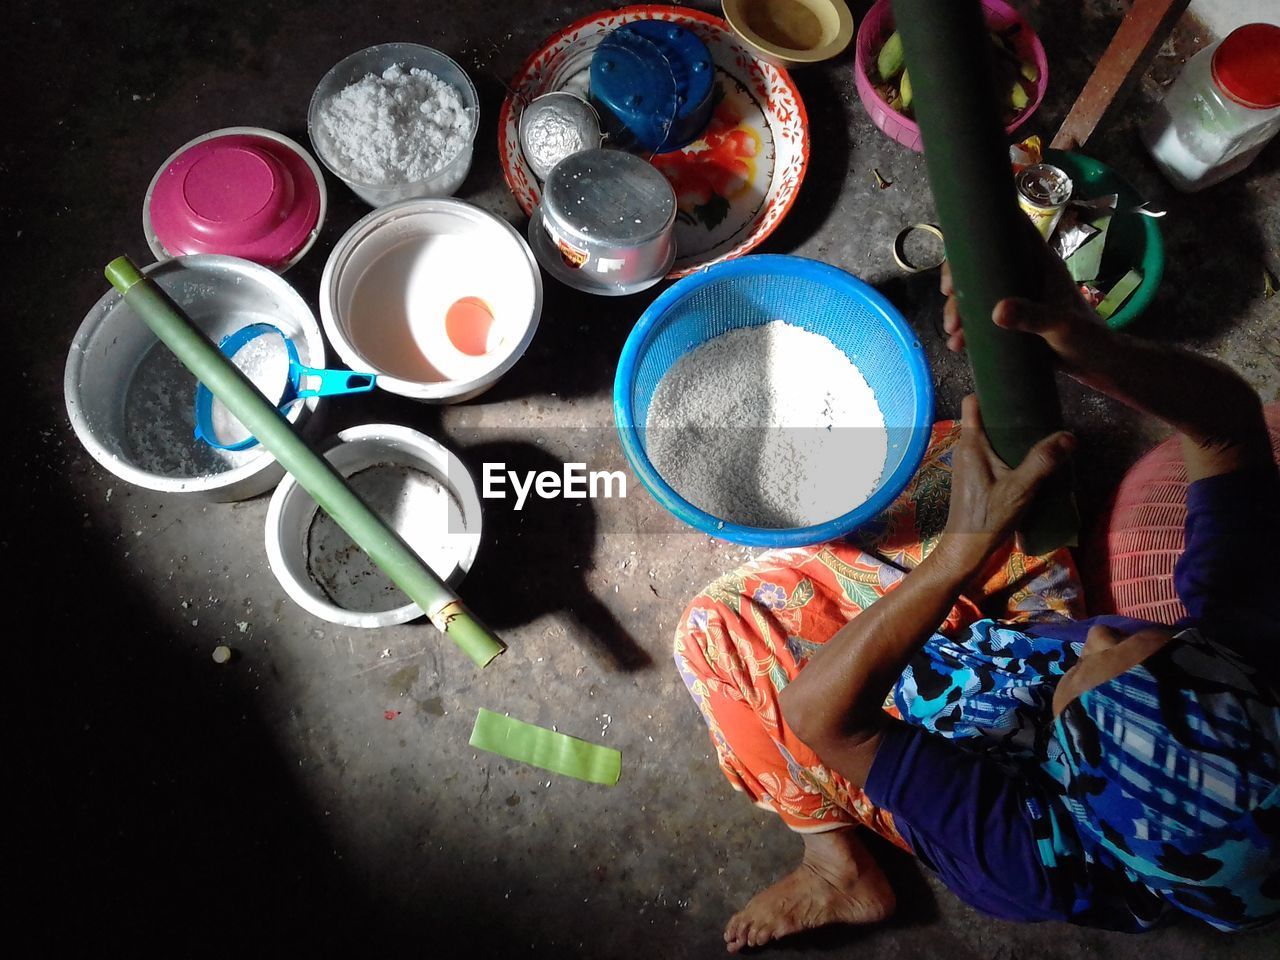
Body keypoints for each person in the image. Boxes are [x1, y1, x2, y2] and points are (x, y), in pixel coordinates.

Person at [675, 237, 1280, 952]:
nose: (1107, 633)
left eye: (1100, 674)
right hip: (1019, 639)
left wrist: (961, 552)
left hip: (942, 732)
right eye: (1161, 650)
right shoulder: (1243, 673)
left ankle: (834, 861)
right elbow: (1228, 429)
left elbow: (825, 717)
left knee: (715, 627)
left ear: (1074, 770)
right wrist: (1089, 345)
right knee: (983, 454)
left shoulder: (1023, 854)